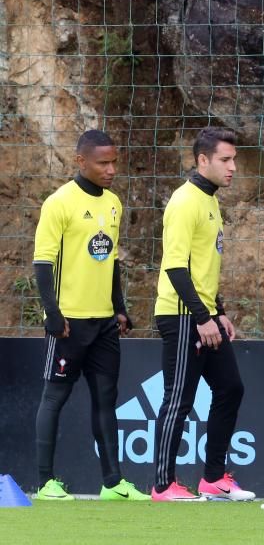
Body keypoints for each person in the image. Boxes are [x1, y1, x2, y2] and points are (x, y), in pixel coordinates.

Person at [32, 130, 148, 501]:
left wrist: (119, 307)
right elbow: (42, 262)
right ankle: (46, 482)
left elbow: (110, 259)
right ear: (80, 161)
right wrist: (52, 313)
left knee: (106, 399)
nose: (111, 169)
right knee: (55, 398)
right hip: (69, 322)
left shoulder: (113, 203)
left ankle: (113, 483)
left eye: (114, 161)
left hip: (103, 323)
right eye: (103, 162)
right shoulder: (59, 203)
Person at [150, 127, 254, 502]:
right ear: (202, 160)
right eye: (225, 160)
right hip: (181, 316)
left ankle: (213, 479)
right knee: (178, 398)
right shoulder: (185, 201)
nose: (233, 168)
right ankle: (163, 485)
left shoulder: (210, 200)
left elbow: (202, 267)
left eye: (234, 160)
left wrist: (219, 312)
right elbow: (176, 268)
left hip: (204, 314)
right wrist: (201, 317)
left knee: (231, 388)